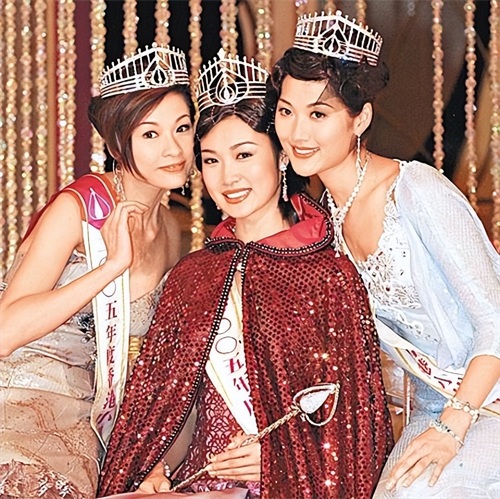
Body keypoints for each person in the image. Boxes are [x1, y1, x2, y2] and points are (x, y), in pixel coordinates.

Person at [98, 50, 393, 499]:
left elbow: (355, 432)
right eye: (211, 160)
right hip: (198, 486)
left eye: (244, 155)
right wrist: (157, 467)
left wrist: (281, 458)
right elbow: (173, 411)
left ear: (281, 157)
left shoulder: (329, 274)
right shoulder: (192, 277)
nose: (228, 177)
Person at [267, 10, 500, 498]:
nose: (298, 132)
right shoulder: (327, 220)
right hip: (432, 407)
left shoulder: (415, 191)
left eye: (318, 114)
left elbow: (496, 321)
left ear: (361, 118)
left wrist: (453, 428)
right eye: (287, 111)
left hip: (485, 401)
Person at [0, 45, 195, 498]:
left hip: (89, 422)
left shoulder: (172, 230)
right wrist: (110, 267)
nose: (172, 149)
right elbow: (6, 331)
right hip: (20, 400)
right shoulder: (80, 207)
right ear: (115, 144)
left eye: (182, 128)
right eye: (150, 134)